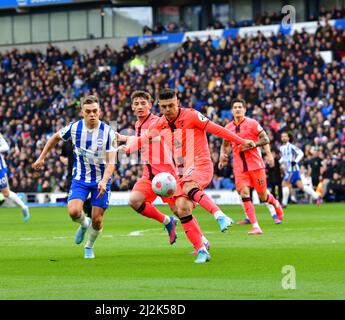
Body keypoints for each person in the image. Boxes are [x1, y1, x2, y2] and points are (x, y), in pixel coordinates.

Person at [124, 89, 255, 263]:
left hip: (200, 163)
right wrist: (127, 149)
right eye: (164, 107)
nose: (168, 110)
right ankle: (202, 249)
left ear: (177, 102)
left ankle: (219, 215)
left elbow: (218, 130)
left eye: (171, 105)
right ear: (159, 107)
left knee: (187, 187)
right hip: (183, 170)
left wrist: (242, 141)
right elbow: (145, 138)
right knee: (181, 207)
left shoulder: (192, 116)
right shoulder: (160, 123)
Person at [32, 95, 117, 259]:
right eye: (88, 112)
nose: (92, 114)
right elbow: (55, 137)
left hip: (101, 179)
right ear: (82, 112)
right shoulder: (74, 128)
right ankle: (84, 225)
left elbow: (111, 163)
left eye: (95, 111)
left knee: (97, 220)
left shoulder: (108, 132)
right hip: (80, 178)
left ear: (99, 111)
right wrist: (41, 157)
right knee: (73, 212)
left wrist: (104, 181)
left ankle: (89, 247)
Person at [117, 90, 180, 245]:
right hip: (149, 176)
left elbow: (156, 138)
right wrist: (125, 138)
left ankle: (201, 242)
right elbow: (140, 139)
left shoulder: (157, 121)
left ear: (150, 105)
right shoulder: (138, 124)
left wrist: (127, 143)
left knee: (180, 210)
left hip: (166, 175)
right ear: (132, 107)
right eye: (136, 104)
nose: (140, 106)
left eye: (143, 103)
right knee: (134, 200)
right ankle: (167, 221)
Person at [219, 99, 284, 235]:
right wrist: (223, 156)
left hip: (255, 166)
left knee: (263, 196)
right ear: (232, 111)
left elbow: (266, 139)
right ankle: (255, 226)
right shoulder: (228, 127)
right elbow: (225, 144)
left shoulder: (252, 124)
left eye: (240, 107)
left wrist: (254, 144)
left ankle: (275, 203)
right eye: (235, 107)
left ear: (244, 109)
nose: (237, 109)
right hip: (239, 167)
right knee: (244, 193)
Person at [279, 132, 322, 207]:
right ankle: (317, 197)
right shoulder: (282, 148)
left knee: (284, 184)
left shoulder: (291, 146)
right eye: (282, 136)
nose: (284, 138)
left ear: (288, 138)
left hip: (293, 169)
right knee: (301, 186)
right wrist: (279, 162)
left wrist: (295, 161)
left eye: (285, 136)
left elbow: (301, 153)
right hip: (289, 169)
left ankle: (284, 203)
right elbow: (284, 157)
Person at [60, 141, 92, 218]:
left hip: (85, 173)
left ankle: (89, 214)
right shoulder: (67, 142)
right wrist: (64, 159)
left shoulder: (85, 139)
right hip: (71, 174)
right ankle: (85, 216)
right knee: (73, 199)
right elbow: (62, 155)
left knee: (86, 198)